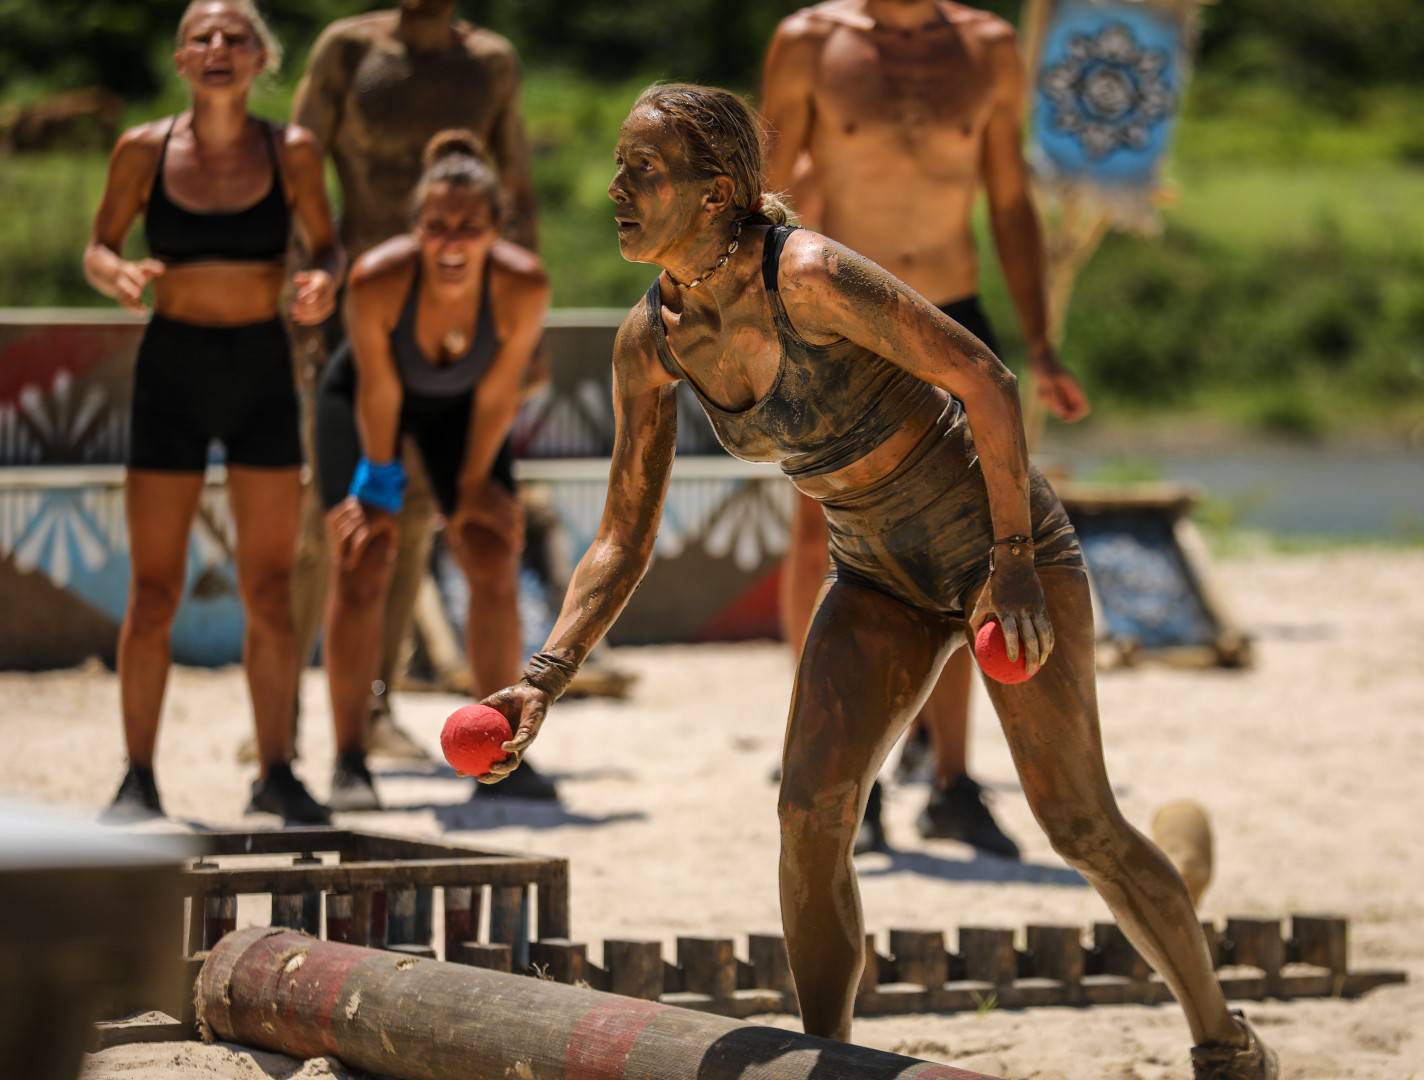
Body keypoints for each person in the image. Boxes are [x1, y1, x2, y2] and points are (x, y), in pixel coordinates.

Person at [477, 85, 1276, 1078]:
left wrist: (1016, 565)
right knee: (809, 817)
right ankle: (829, 1060)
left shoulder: (808, 275)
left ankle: (1226, 1045)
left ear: (719, 191)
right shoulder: (652, 341)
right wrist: (543, 677)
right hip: (876, 576)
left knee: (1076, 824)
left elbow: (987, 379)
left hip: (998, 554)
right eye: (620, 167)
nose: (617, 188)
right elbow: (619, 538)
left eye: (645, 170)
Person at [760, 0, 1091, 857]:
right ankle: (847, 769)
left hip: (950, 309)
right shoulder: (811, 43)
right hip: (840, 317)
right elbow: (760, 200)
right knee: (817, 536)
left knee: (971, 542)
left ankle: (951, 779)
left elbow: (1009, 197)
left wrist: (1043, 341)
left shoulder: (986, 49)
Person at [283, 0, 554, 797]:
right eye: (437, 225)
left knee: (489, 547)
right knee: (360, 551)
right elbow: (301, 172)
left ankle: (501, 753)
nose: (452, 240)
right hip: (368, 378)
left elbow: (498, 392)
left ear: (492, 227)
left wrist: (473, 492)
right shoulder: (346, 51)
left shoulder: (492, 68)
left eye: (470, 227)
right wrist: (376, 486)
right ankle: (345, 753)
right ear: (417, 223)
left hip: (465, 395)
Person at [86, 0, 339, 825]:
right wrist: (115, 275)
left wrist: (321, 281)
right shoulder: (142, 150)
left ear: (262, 57)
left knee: (269, 588)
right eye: (203, 36)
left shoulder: (291, 151)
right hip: (172, 368)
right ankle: (137, 778)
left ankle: (275, 771)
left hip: (262, 368)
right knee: (153, 591)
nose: (219, 47)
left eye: (236, 36)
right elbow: (99, 246)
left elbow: (326, 247)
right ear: (180, 58)